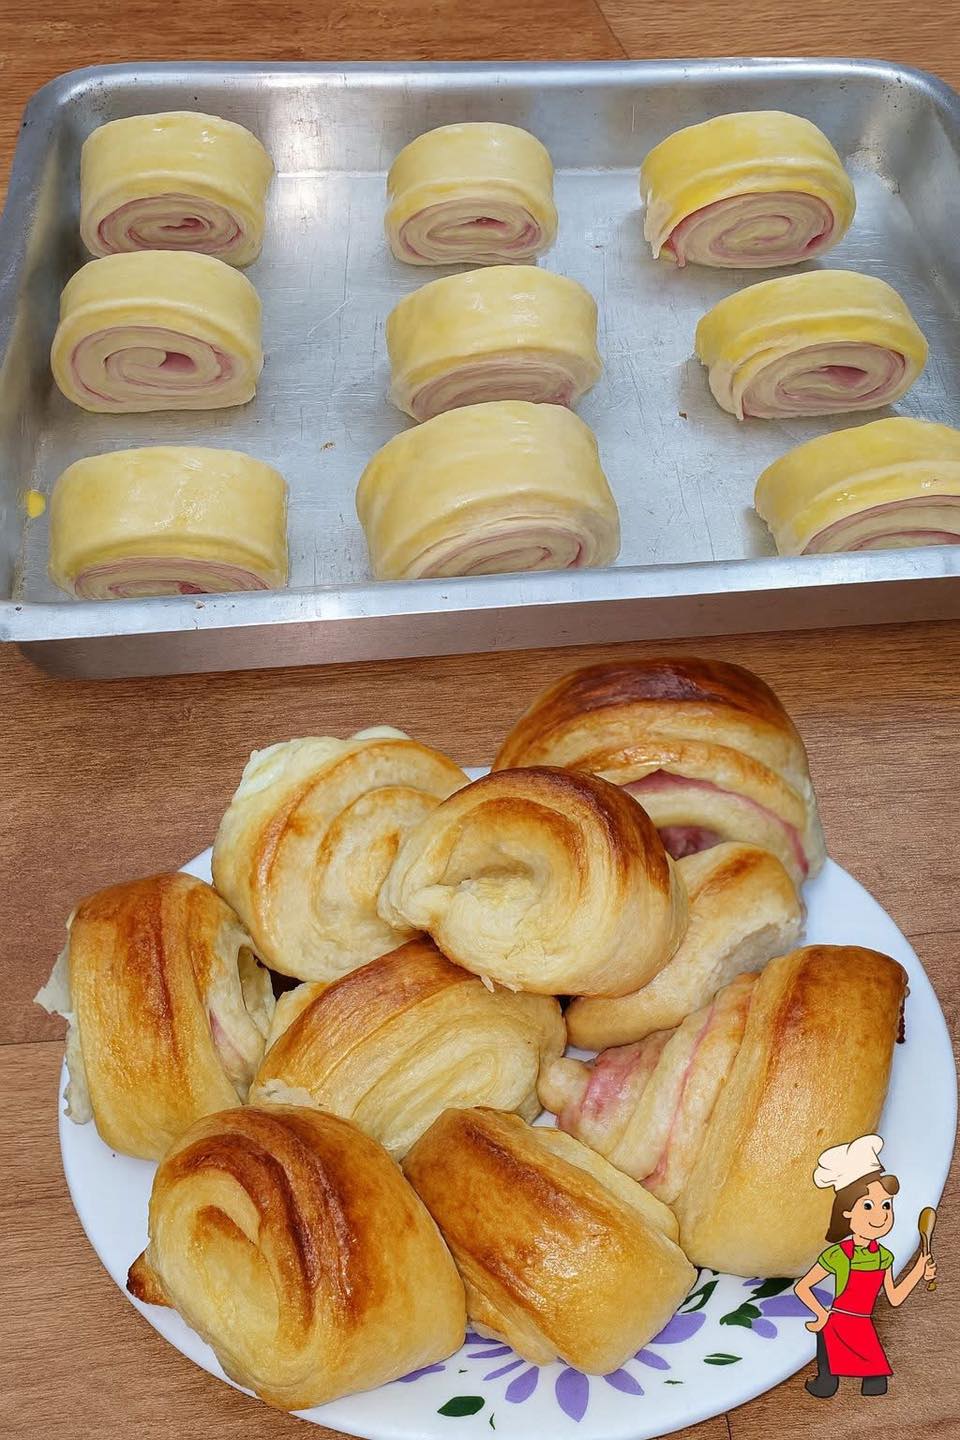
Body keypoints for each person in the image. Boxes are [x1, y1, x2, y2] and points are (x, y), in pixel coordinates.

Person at [794, 1134, 936, 1398]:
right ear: (847, 1212)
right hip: (836, 1323)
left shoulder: (884, 1257)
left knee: (875, 1384)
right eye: (868, 1206)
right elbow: (804, 1287)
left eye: (886, 1205)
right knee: (827, 1382)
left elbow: (894, 1297)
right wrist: (822, 1315)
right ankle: (825, 1382)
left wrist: (919, 1269)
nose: (880, 1216)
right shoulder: (839, 1254)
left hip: (863, 1325)